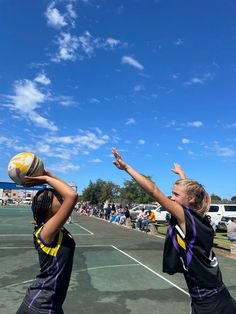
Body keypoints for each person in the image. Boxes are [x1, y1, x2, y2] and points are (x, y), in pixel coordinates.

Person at [112, 147, 236, 314]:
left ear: (191, 199)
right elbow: (189, 194)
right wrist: (181, 175)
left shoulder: (187, 218)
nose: (171, 198)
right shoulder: (198, 217)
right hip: (216, 295)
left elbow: (154, 191)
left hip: (209, 303)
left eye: (175, 194)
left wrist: (127, 168)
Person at [16, 169, 78, 314]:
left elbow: (68, 192)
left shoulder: (54, 228)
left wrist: (47, 173)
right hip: (41, 307)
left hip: (49, 304)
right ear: (48, 205)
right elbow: (71, 195)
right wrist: (45, 179)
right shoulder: (46, 232)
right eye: (57, 196)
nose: (61, 197)